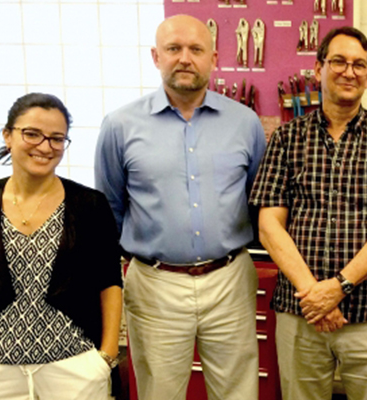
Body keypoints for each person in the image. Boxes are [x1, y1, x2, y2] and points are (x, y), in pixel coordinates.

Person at [94, 14, 266, 400]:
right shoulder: (120, 126)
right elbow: (110, 207)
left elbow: (258, 199)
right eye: (173, 49)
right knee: (160, 391)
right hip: (155, 283)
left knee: (238, 390)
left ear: (215, 57)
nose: (184, 58)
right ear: (156, 56)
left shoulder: (246, 123)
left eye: (195, 49)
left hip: (230, 279)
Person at [250, 26, 367, 400]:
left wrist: (338, 287)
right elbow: (269, 227)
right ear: (318, 69)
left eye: (359, 64)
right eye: (339, 62)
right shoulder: (286, 138)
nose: (349, 71)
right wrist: (314, 294)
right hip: (301, 313)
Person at [0, 93, 123, 400]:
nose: (45, 146)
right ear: (8, 136)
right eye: (32, 134)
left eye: (57, 138)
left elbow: (109, 282)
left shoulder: (89, 205)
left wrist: (105, 356)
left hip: (76, 367)